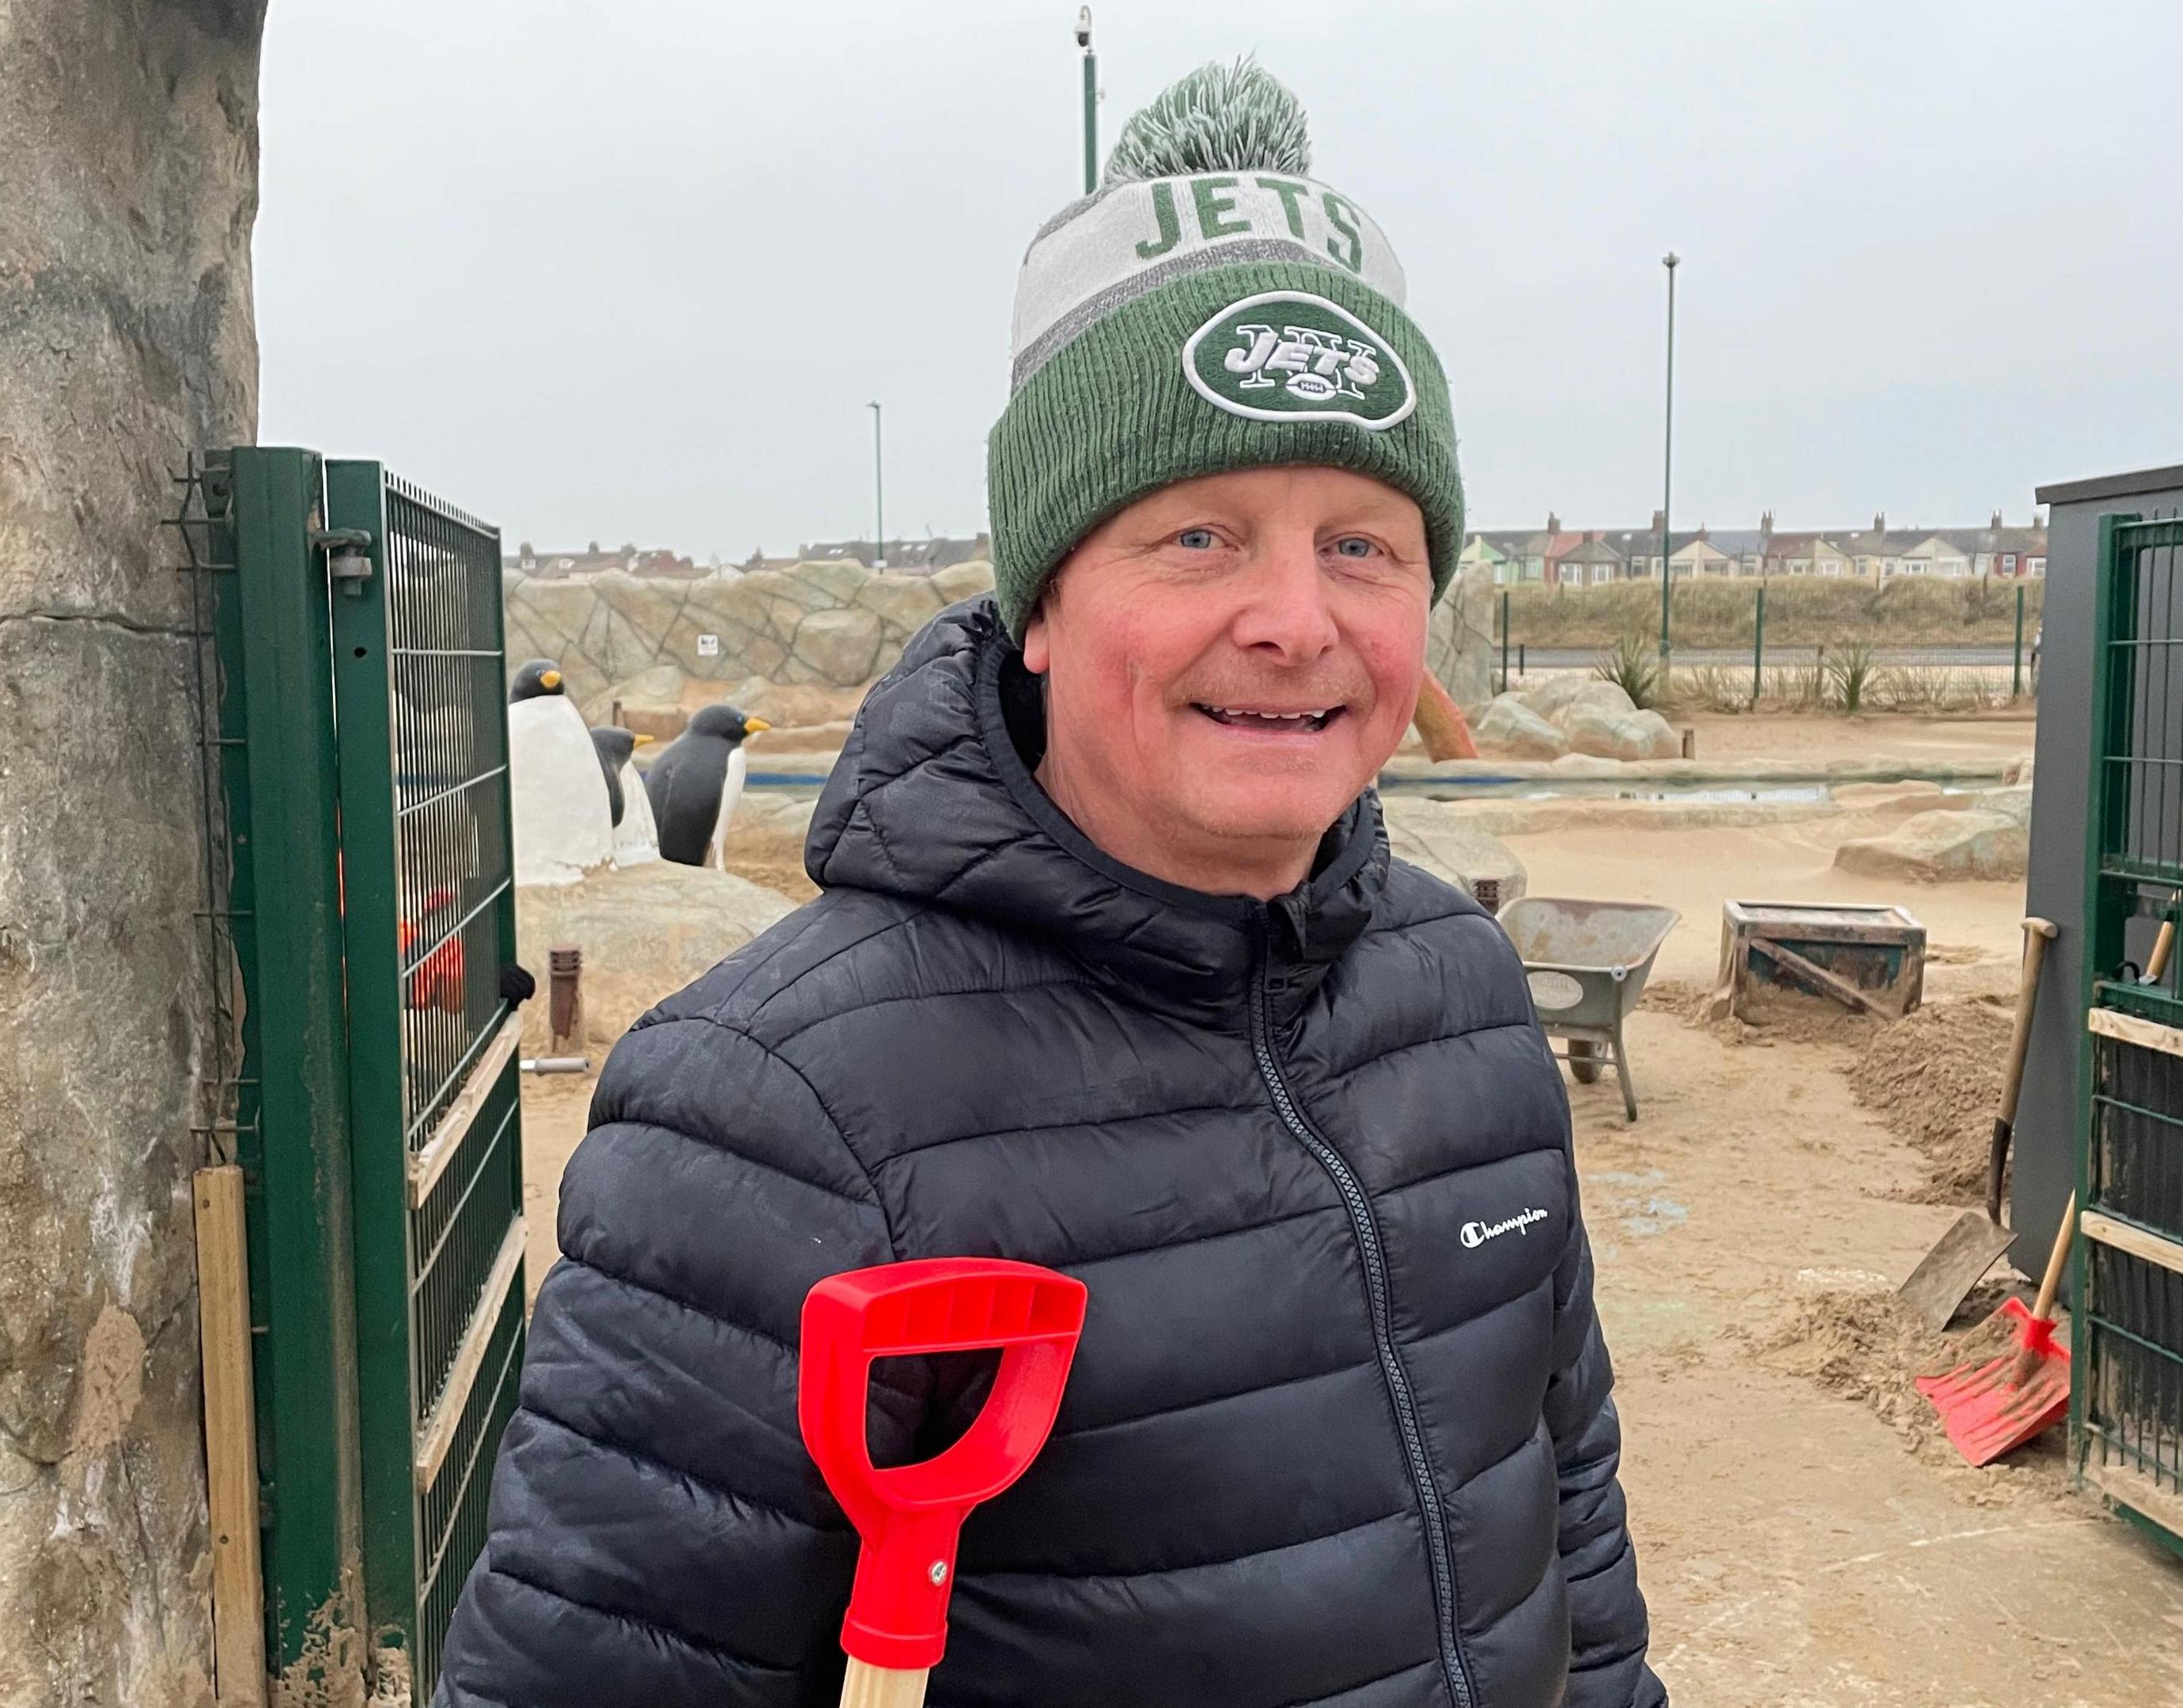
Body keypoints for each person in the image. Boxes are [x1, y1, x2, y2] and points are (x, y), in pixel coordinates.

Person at [443, 62, 1659, 1708]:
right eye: (1201, 538)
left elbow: (1566, 1515)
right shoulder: (771, 1118)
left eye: (1363, 544)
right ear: (1041, 604)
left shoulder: (1466, 996)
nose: (1297, 619)